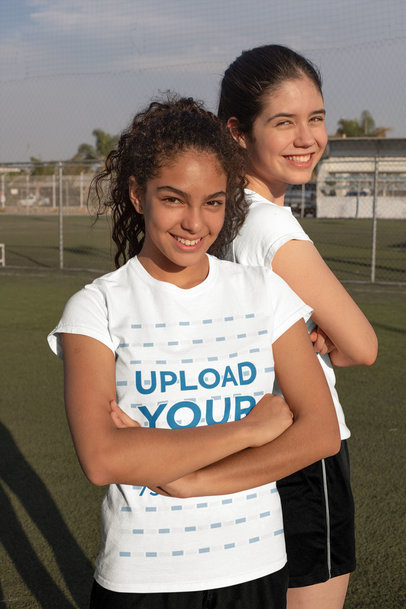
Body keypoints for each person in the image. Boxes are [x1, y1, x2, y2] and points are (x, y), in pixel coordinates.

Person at [48, 96, 340, 609]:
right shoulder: (96, 306)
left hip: (256, 565)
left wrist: (189, 480)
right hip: (143, 577)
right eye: (174, 199)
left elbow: (318, 433)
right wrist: (248, 431)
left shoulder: (265, 292)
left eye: (213, 201)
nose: (194, 222)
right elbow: (102, 457)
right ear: (139, 195)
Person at [217, 45, 378, 609]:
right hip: (305, 453)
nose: (307, 137)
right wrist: (331, 345)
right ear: (237, 131)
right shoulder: (272, 230)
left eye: (316, 117)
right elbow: (362, 346)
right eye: (283, 122)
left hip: (239, 442)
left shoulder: (216, 215)